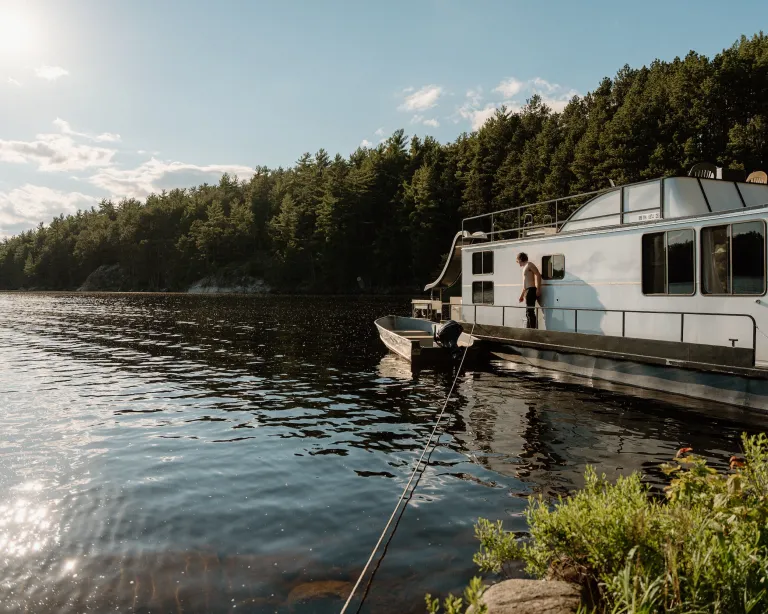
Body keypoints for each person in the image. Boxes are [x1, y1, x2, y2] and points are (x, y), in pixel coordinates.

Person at [517, 252, 541, 329]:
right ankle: (530, 329)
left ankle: (532, 330)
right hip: (527, 290)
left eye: (518, 261)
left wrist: (538, 288)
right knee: (528, 312)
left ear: (521, 259)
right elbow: (524, 284)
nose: (519, 264)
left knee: (530, 311)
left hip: (531, 289)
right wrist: (522, 296)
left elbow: (538, 274)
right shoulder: (524, 268)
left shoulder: (529, 264)